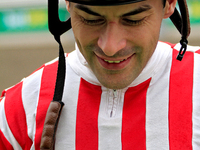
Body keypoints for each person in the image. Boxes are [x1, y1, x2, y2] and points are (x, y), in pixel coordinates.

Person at [0, 0, 200, 149]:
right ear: (68, 5)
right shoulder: (18, 108)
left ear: (170, 4)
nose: (110, 47)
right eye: (91, 19)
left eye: (133, 20)